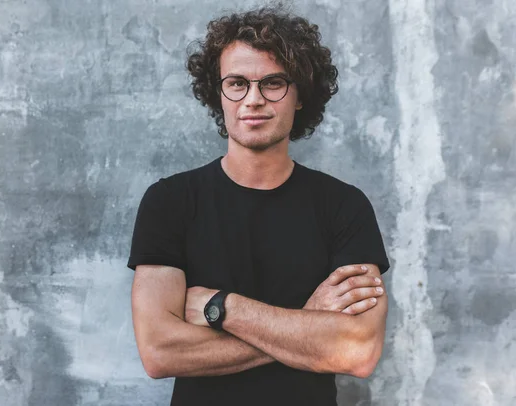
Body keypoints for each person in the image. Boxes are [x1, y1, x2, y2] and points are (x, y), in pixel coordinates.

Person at [127, 5, 390, 406]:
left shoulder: (344, 206)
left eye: (273, 83)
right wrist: (307, 324)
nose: (253, 99)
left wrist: (223, 309)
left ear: (300, 94)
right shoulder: (170, 201)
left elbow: (358, 351)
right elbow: (160, 353)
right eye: (236, 83)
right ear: (219, 93)